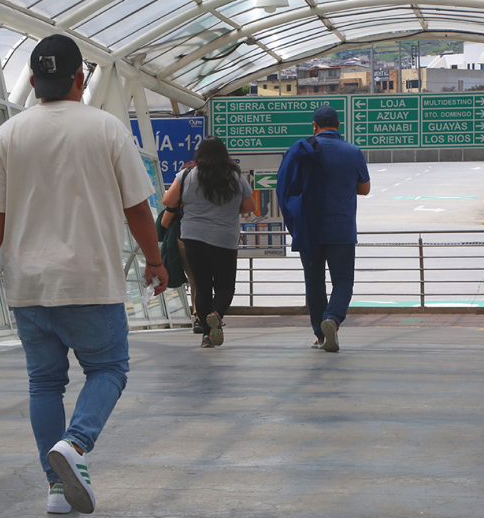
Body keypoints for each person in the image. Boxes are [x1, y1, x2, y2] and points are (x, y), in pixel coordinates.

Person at [0, 34, 167, 516]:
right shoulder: (107, 129)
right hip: (89, 280)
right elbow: (138, 208)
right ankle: (75, 445)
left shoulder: (8, 135)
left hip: (28, 285)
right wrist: (155, 261)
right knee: (109, 369)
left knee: (44, 384)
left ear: (33, 81)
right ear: (80, 78)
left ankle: (57, 489)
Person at [276, 106, 370, 352]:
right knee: (343, 280)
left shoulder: (300, 150)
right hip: (341, 229)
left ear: (314, 126)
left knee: (314, 282)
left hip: (308, 228)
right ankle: (333, 319)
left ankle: (320, 335)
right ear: (338, 126)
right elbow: (365, 189)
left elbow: (285, 186)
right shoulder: (353, 151)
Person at [163, 137, 255, 348]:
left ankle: (206, 335)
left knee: (202, 287)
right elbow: (250, 206)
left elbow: (168, 200)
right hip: (224, 238)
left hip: (193, 237)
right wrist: (230, 210)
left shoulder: (187, 175)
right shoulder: (235, 176)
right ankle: (217, 314)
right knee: (225, 286)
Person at [159, 161, 203, 334]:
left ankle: (199, 316)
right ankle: (209, 313)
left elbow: (164, 223)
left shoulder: (178, 200)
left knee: (196, 281)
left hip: (185, 240)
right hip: (212, 239)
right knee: (207, 279)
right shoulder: (209, 196)